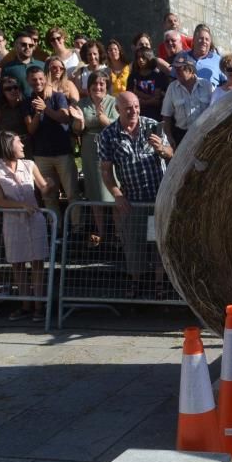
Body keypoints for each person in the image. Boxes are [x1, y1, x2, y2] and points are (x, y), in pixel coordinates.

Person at [99, 92, 173, 298]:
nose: (134, 111)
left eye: (136, 106)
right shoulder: (108, 135)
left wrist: (162, 149)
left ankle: (159, 285)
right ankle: (136, 284)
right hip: (132, 200)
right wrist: (116, 194)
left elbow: (172, 153)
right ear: (118, 110)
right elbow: (105, 170)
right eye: (128, 108)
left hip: (158, 197)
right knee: (134, 245)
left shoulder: (152, 125)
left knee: (158, 244)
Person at [0, 131, 51, 322]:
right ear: (8, 145)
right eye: (18, 142)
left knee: (38, 264)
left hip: (35, 220)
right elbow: (0, 200)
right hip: (14, 222)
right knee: (18, 265)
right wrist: (21, 206)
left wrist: (52, 185)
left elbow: (44, 188)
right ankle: (25, 305)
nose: (22, 145)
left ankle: (39, 306)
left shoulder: (30, 165)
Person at [24, 66, 82, 230]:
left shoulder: (58, 97)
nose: (38, 82)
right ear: (28, 81)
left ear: (46, 79)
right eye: (34, 79)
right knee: (48, 194)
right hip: (41, 155)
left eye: (41, 79)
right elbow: (30, 129)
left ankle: (77, 227)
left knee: (72, 193)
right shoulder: (27, 102)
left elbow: (64, 118)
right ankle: (56, 227)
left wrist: (46, 109)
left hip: (63, 151)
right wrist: (37, 113)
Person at [73, 71, 118, 248]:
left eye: (102, 84)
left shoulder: (114, 102)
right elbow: (77, 130)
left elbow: (120, 126)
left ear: (106, 86)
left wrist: (104, 120)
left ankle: (118, 234)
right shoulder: (81, 104)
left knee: (114, 192)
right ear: (89, 86)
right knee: (94, 193)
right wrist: (79, 122)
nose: (98, 87)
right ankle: (102, 234)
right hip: (90, 150)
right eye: (95, 84)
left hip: (111, 150)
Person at [162, 53, 213, 148]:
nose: (176, 72)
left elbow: (215, 110)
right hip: (181, 136)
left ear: (191, 70)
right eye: (175, 69)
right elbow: (166, 116)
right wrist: (168, 137)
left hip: (204, 134)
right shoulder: (172, 88)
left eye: (179, 69)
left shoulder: (207, 86)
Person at [126, 47, 169, 122]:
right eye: (138, 57)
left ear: (149, 57)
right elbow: (130, 98)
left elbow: (157, 100)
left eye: (143, 57)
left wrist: (140, 99)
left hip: (155, 117)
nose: (140, 60)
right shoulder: (132, 77)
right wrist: (150, 99)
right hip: (137, 117)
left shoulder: (158, 75)